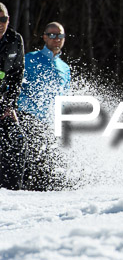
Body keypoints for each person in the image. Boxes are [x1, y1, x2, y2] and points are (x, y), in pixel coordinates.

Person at [17, 22, 71, 190]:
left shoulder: (65, 68)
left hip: (52, 126)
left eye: (60, 36)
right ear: (45, 37)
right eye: (52, 35)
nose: (57, 39)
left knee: (50, 171)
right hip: (29, 121)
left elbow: (65, 97)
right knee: (31, 167)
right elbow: (17, 87)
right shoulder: (30, 59)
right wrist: (30, 109)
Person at [0, 2, 26, 190]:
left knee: (17, 140)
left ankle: (12, 189)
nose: (0, 23)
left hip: (3, 101)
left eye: (3, 19)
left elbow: (17, 75)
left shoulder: (15, 40)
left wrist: (10, 105)